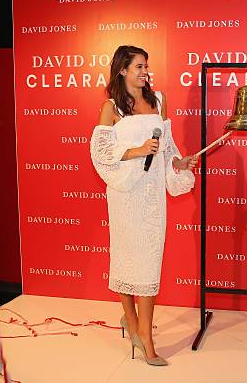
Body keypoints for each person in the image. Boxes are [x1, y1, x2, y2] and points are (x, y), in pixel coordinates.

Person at [90, 45, 198, 366]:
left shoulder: (159, 101)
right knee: (125, 259)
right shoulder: (111, 108)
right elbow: (101, 153)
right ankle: (133, 324)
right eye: (138, 66)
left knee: (149, 263)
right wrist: (137, 150)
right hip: (125, 195)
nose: (144, 71)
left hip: (151, 197)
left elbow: (167, 150)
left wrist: (180, 161)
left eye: (146, 66)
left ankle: (144, 333)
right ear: (122, 70)